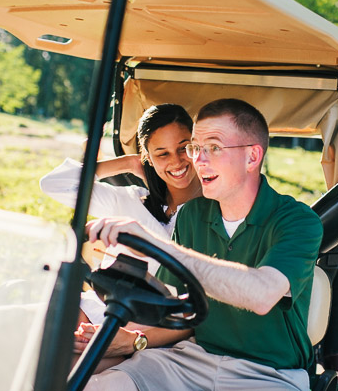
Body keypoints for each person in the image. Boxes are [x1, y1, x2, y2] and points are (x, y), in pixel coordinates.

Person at [84, 98, 323, 390]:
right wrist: (120, 336)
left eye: (214, 147)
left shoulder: (297, 221)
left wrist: (157, 244)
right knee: (98, 383)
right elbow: (181, 312)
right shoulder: (192, 216)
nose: (198, 160)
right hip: (191, 360)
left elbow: (262, 294)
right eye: (196, 148)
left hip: (268, 374)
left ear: (252, 157)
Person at [39, 103, 202, 370]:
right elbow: (54, 184)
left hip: (151, 328)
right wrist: (128, 163)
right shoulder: (131, 199)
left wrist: (130, 337)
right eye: (161, 153)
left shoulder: (214, 213)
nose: (176, 161)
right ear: (147, 157)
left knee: (58, 368)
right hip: (101, 309)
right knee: (23, 338)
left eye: (184, 148)